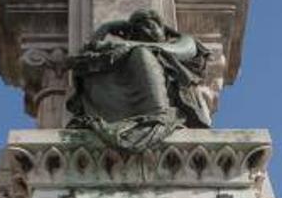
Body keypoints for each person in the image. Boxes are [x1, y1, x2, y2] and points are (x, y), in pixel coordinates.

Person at [66, 8, 212, 152]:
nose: (146, 31)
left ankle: (158, 117)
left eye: (150, 26)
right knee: (94, 66)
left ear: (163, 30)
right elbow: (87, 51)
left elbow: (179, 50)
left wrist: (127, 44)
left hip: (163, 94)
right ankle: (116, 118)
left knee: (142, 53)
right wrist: (106, 28)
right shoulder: (126, 52)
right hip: (126, 96)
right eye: (138, 29)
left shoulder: (183, 41)